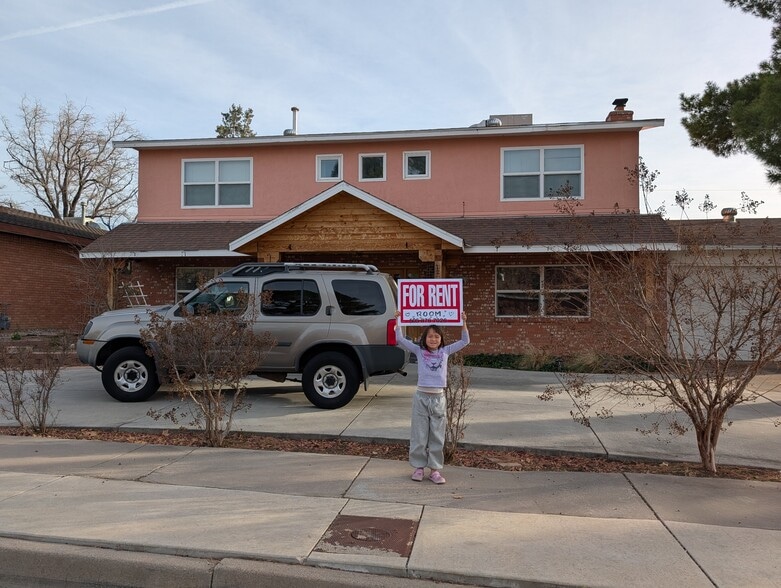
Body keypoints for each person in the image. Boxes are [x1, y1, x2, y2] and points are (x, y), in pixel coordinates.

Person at [394, 311, 469, 484]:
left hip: (438, 399)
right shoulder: (419, 351)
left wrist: (464, 322)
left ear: (441, 339)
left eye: (436, 336)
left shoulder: (445, 351)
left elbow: (465, 341)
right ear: (424, 339)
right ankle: (418, 468)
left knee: (436, 435)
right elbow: (401, 340)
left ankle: (435, 470)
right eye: (430, 336)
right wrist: (398, 319)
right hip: (421, 397)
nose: (433, 339)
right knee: (419, 434)